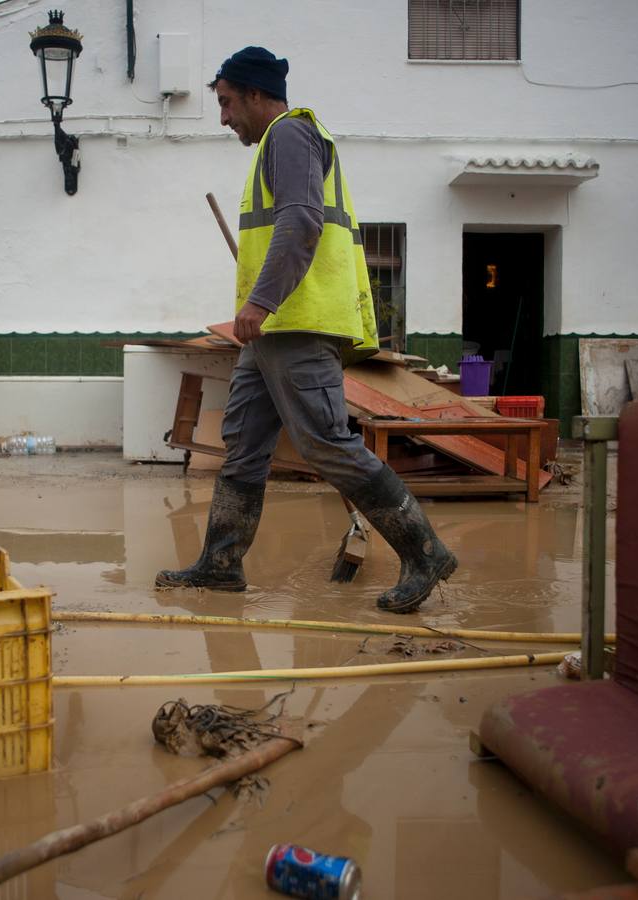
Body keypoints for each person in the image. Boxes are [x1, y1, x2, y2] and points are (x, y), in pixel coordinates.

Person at [155, 46, 457, 614]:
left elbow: (301, 222)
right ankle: (221, 565)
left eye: (225, 103)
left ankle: (425, 553)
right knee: (244, 444)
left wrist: (261, 302)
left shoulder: (291, 136)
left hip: (295, 322)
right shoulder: (275, 144)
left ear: (253, 94)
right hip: (275, 331)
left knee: (325, 444)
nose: (223, 118)